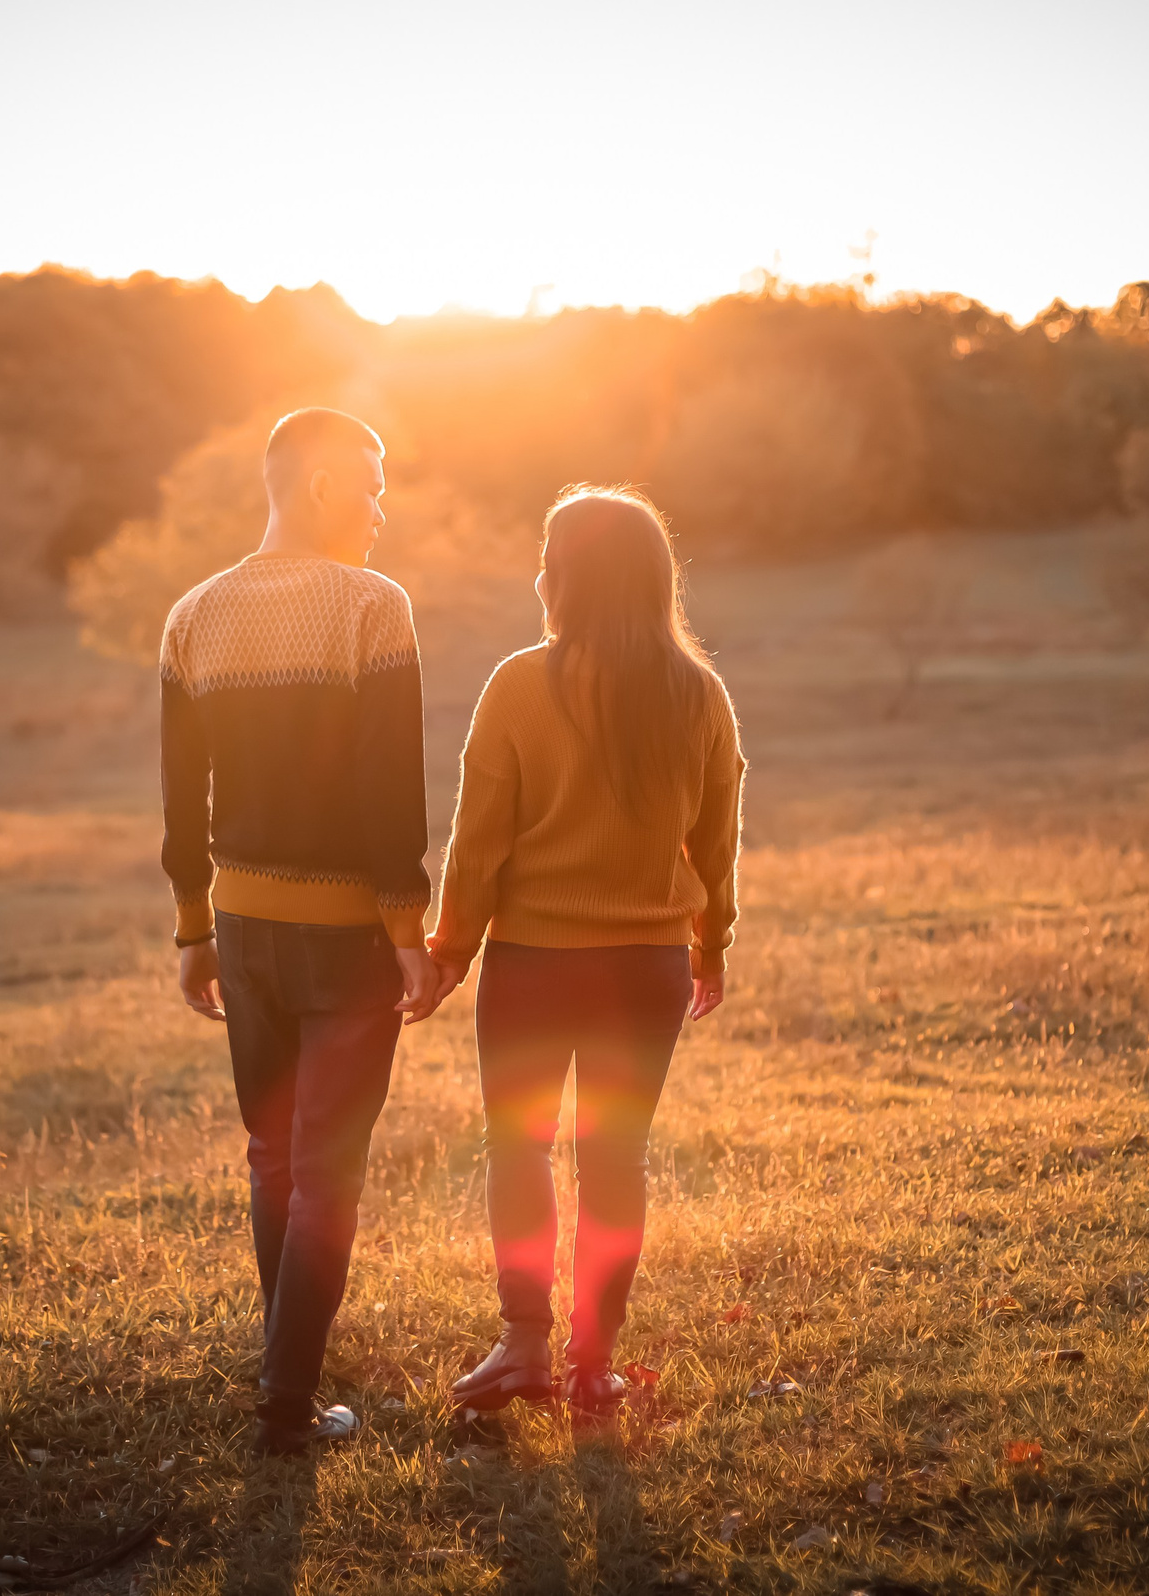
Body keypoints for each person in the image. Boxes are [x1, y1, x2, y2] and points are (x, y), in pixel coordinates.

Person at [159, 407, 451, 1456]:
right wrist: (408, 926)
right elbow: (389, 788)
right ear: (323, 482)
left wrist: (193, 927)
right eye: (372, 484)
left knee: (271, 1156)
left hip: (241, 927)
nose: (381, 507)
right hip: (343, 939)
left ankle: (289, 1361)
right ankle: (286, 1406)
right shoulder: (374, 607)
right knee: (327, 1166)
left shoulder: (191, 614)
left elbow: (178, 790)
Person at [428, 484, 744, 1414]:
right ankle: (593, 1365)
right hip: (645, 967)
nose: (536, 571)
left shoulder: (521, 683)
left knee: (518, 1146)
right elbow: (715, 844)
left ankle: (524, 1345)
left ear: (564, 575)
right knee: (616, 1155)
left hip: (532, 962)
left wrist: (452, 946)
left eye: (545, 556)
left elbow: (478, 839)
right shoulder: (698, 692)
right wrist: (709, 943)